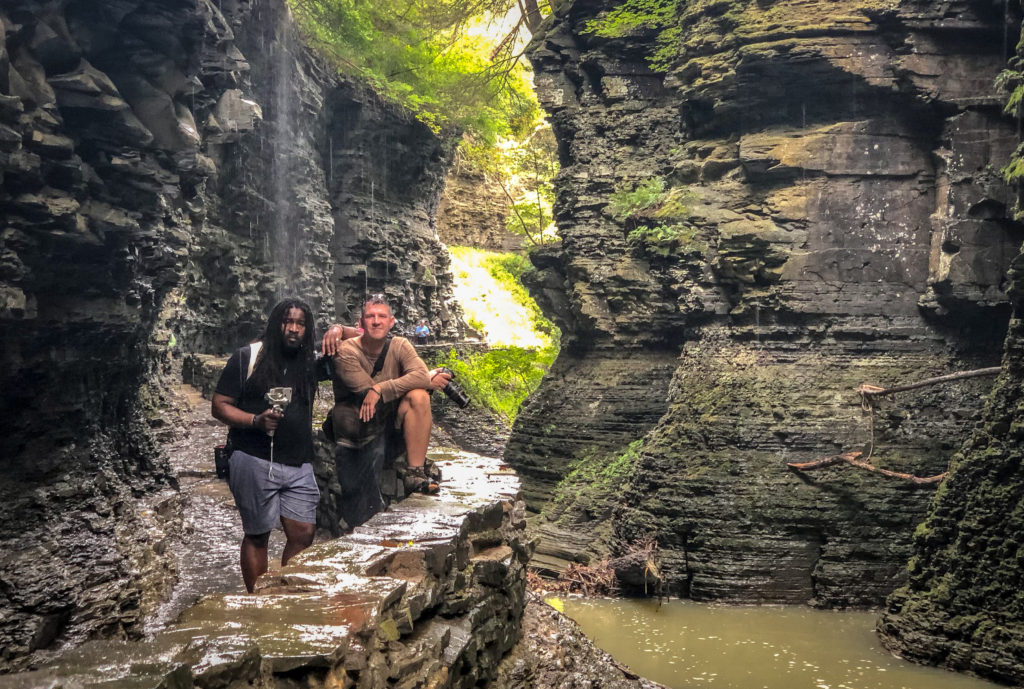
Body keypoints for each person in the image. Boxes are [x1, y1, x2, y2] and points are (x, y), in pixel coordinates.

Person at [211, 298, 353, 593]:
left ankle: (286, 592)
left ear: (308, 329)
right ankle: (258, 598)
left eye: (301, 323)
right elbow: (220, 405)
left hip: (299, 462)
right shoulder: (247, 358)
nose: (293, 329)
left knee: (303, 533)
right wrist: (254, 421)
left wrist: (339, 329)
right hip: (253, 458)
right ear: (276, 324)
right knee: (258, 534)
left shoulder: (311, 363)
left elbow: (371, 338)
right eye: (287, 321)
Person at [331, 295, 450, 505]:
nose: (376, 321)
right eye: (370, 316)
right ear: (360, 323)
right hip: (358, 433)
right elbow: (367, 392)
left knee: (419, 395)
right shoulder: (346, 352)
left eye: (381, 316)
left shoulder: (400, 345)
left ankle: (414, 472)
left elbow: (420, 377)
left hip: (390, 427)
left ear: (391, 321)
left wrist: (381, 388)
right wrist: (424, 379)